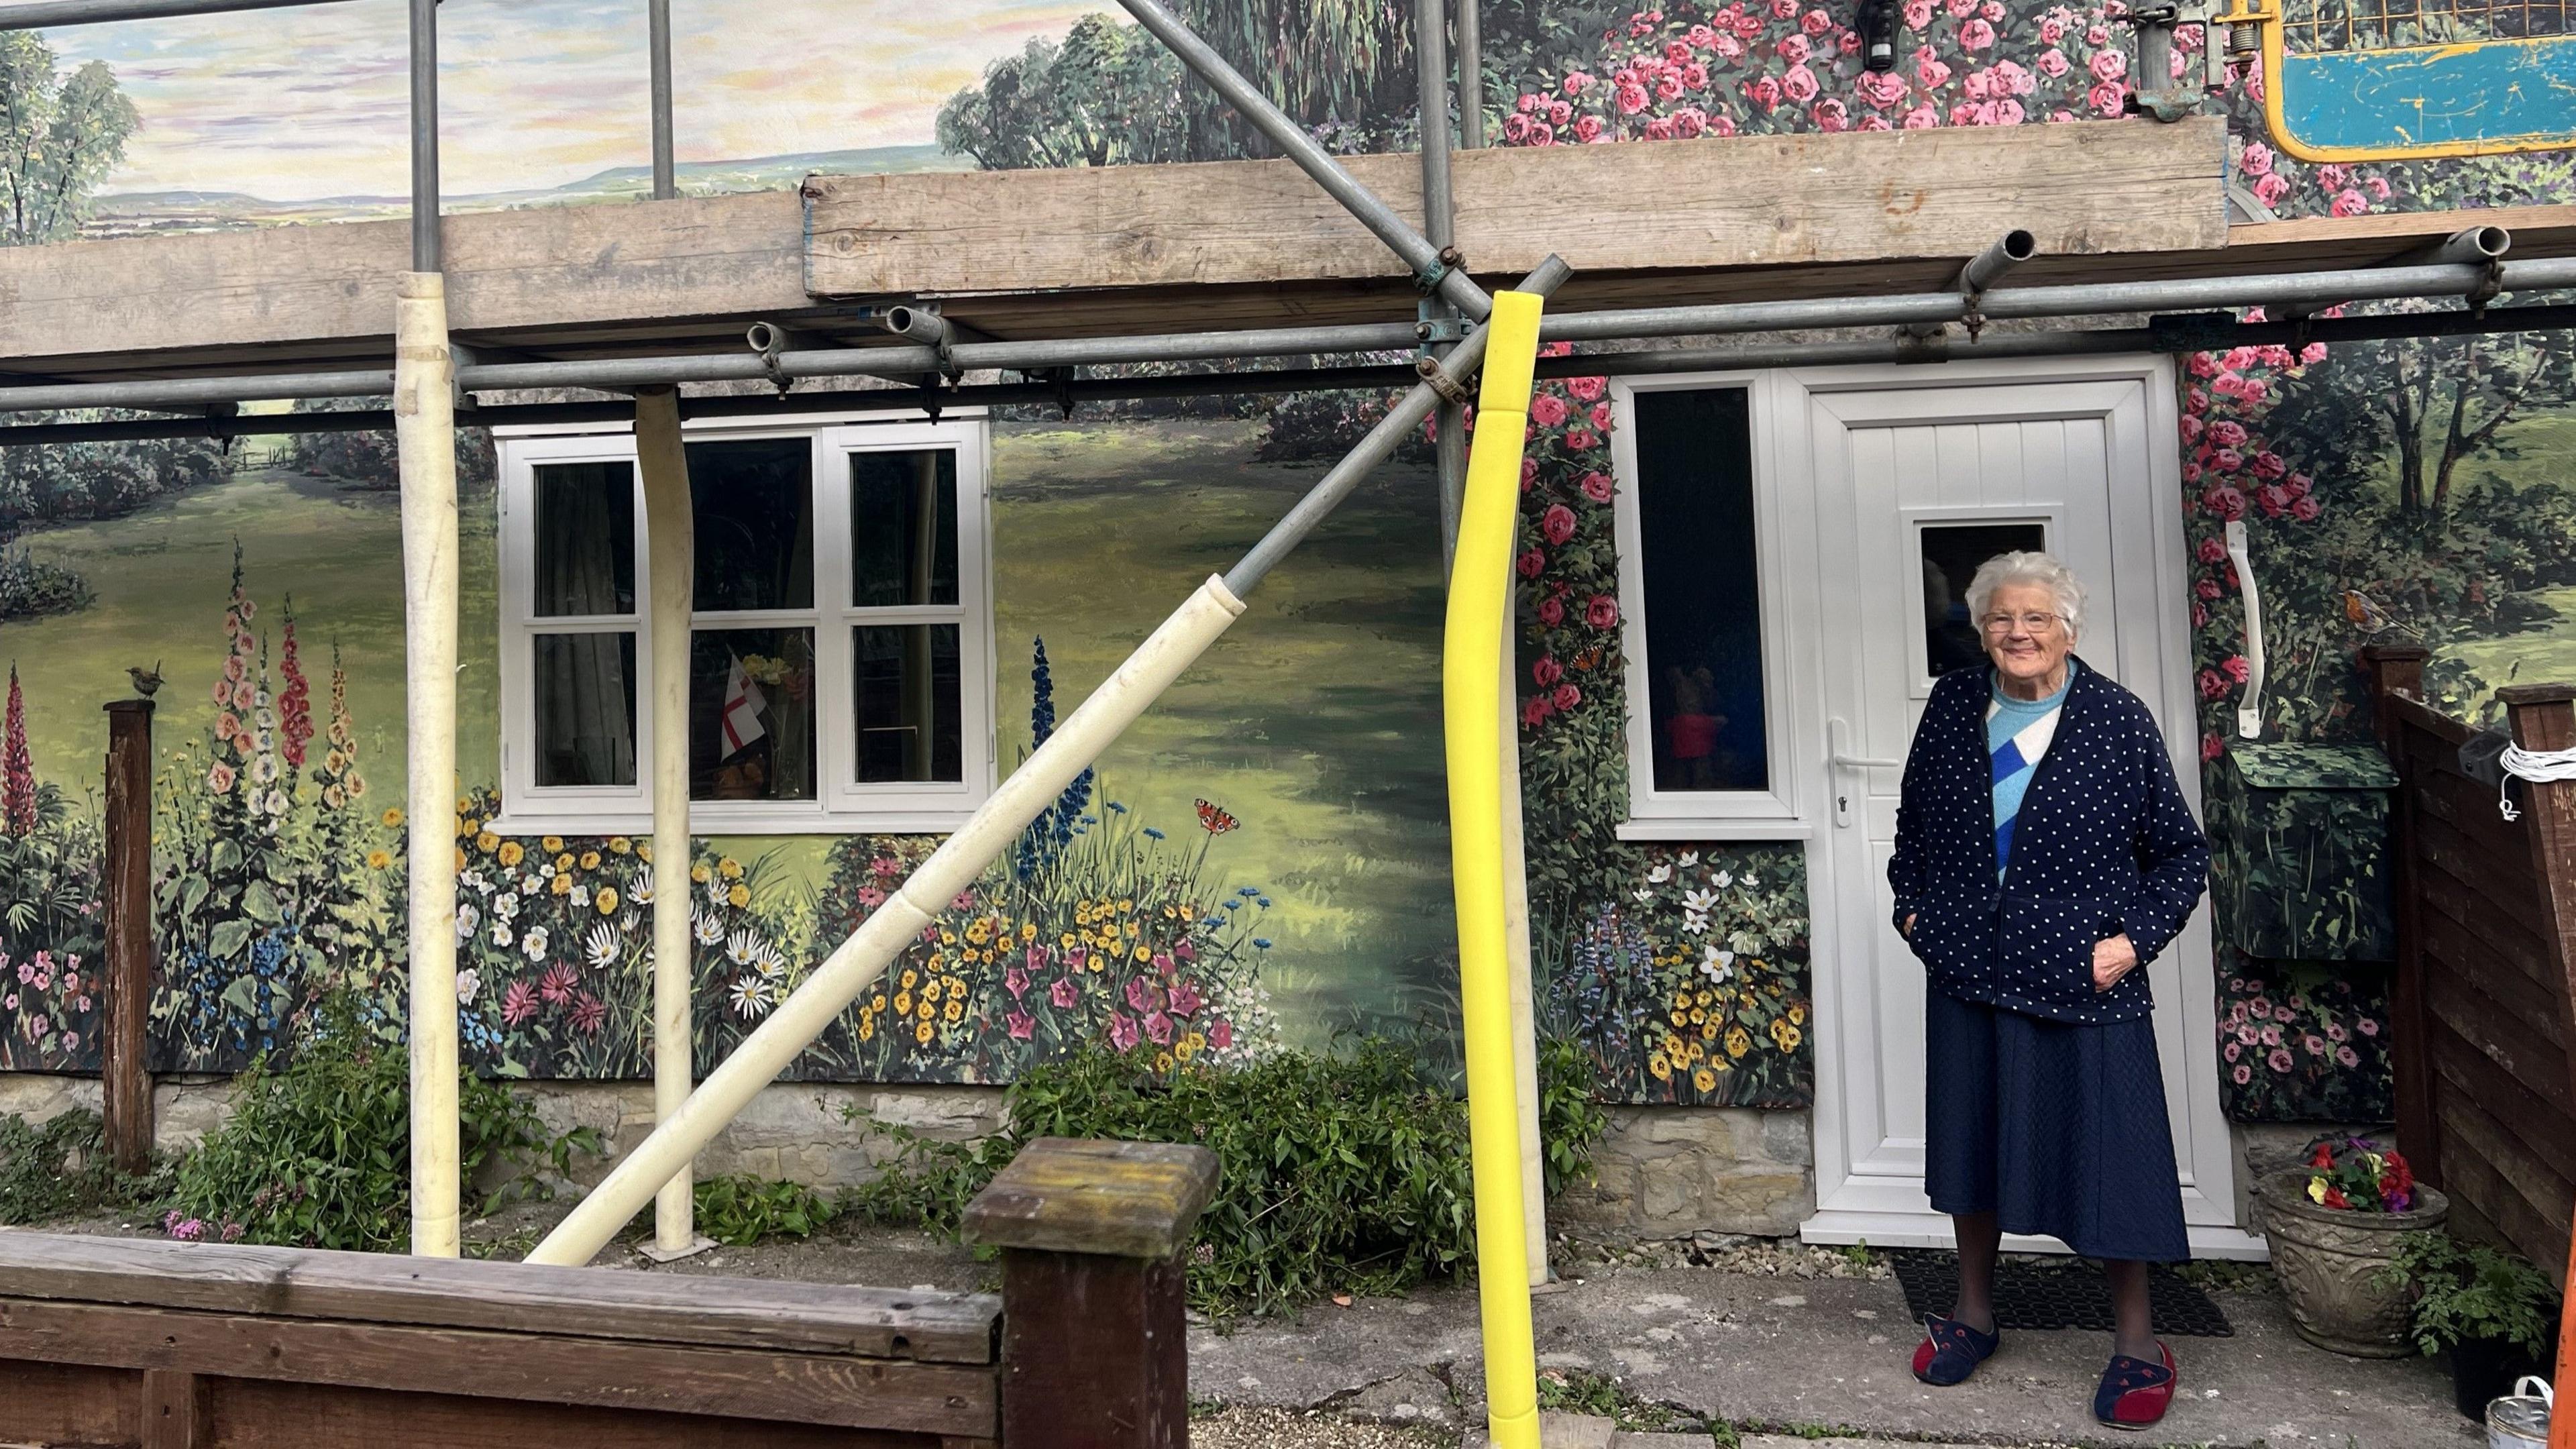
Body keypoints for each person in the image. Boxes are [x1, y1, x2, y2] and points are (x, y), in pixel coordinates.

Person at [1885, 550, 2209, 1431]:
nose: (2018, 633)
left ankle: (2140, 1343)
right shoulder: (1954, 707)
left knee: (2111, 1160)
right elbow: (1913, 827)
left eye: (2037, 618)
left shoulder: (2114, 720)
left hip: (2082, 977)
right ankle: (1975, 1316)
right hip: (1970, 972)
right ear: (1981, 628)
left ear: (2070, 628)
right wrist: (1915, 915)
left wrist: (2132, 943)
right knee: (1973, 1146)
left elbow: (2181, 852)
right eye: (2001, 618)